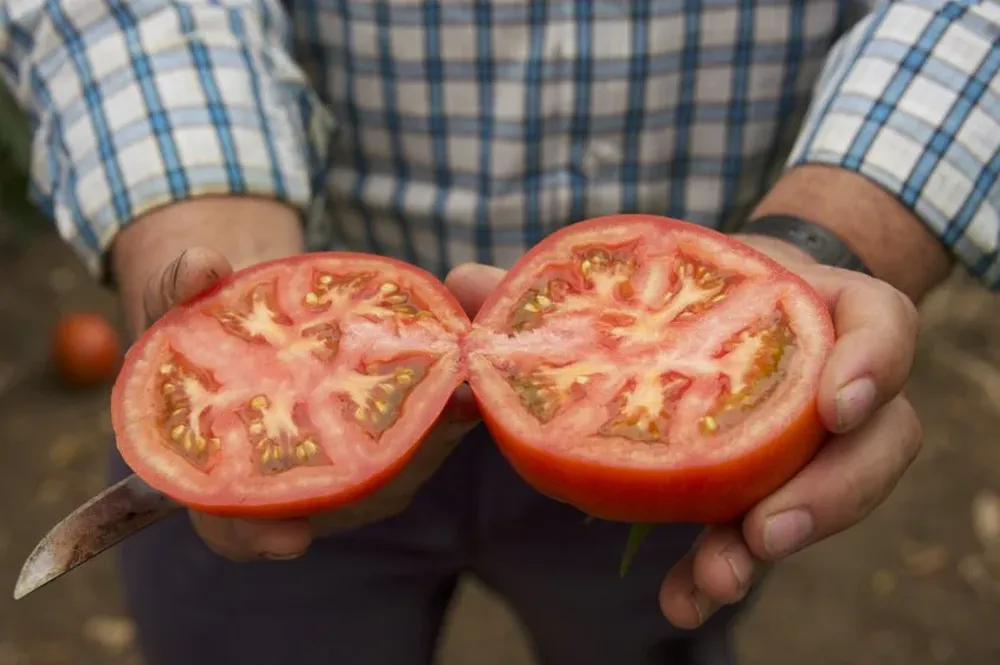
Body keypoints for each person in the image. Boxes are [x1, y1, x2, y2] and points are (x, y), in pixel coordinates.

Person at [1, 0, 994, 662]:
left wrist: (824, 239)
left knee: (658, 630)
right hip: (283, 467)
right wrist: (207, 237)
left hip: (668, 484)